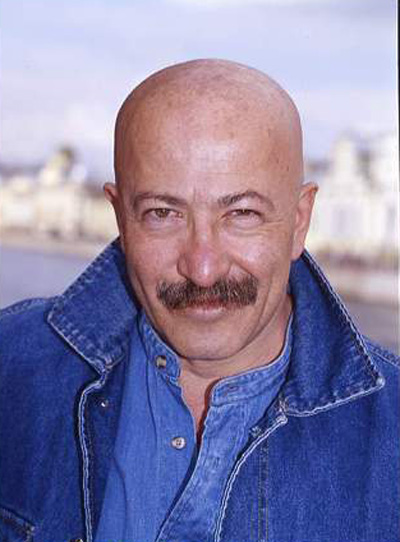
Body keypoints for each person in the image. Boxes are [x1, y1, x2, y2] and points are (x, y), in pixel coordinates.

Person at [0, 59, 399, 542]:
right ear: (121, 217)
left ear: (299, 221)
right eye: (163, 213)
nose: (203, 268)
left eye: (242, 213)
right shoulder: (12, 370)